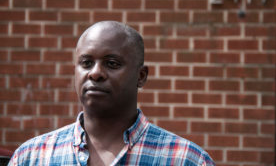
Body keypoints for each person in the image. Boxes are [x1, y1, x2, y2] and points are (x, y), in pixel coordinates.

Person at [9, 21, 215, 166]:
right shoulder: (31, 157)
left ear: (141, 76)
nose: (96, 73)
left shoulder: (187, 160)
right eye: (86, 63)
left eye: (112, 63)